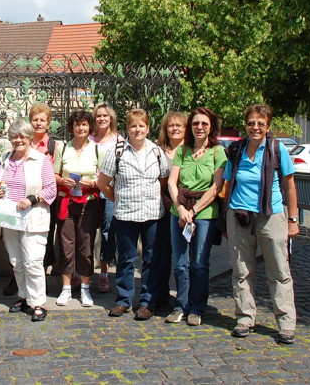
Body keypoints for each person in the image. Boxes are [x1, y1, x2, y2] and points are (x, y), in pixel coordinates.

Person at [223, 104, 299, 344]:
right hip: (240, 215)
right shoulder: (236, 149)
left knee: (278, 270)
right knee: (242, 270)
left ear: (268, 126)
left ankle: (286, 323)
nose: (255, 127)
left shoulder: (277, 149)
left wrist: (292, 219)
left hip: (271, 215)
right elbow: (227, 183)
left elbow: (289, 185)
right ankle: (245, 318)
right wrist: (225, 217)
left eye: (260, 124)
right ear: (245, 125)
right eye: (251, 123)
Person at [97, 109, 170, 320]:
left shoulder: (156, 151)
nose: (137, 130)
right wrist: (117, 199)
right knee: (126, 259)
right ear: (127, 128)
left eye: (141, 126)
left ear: (148, 128)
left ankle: (147, 301)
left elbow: (162, 180)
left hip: (152, 214)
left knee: (151, 259)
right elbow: (103, 183)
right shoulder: (117, 151)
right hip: (126, 214)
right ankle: (123, 300)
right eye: (133, 126)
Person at [166, 107, 227, 326]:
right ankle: (181, 304)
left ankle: (197, 307)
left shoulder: (217, 152)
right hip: (179, 212)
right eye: (195, 123)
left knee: (199, 263)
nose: (199, 127)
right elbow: (172, 182)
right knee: (181, 262)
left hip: (205, 214)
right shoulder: (182, 151)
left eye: (204, 124)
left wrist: (194, 211)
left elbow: (216, 187)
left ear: (211, 127)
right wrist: (181, 208)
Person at [0, 119, 57, 321]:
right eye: (14, 136)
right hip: (10, 216)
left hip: (33, 216)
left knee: (33, 261)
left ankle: (38, 302)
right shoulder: (5, 157)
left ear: (30, 138)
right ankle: (23, 296)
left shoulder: (41, 160)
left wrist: (31, 199)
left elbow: (51, 189)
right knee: (16, 262)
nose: (18, 140)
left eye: (22, 136)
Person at [53, 110, 103, 307]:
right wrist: (61, 180)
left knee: (85, 247)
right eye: (77, 124)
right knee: (66, 247)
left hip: (88, 202)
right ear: (71, 127)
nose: (80, 128)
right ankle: (65, 289)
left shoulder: (98, 150)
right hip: (66, 201)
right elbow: (54, 174)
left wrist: (92, 183)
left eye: (84, 124)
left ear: (90, 127)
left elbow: (104, 178)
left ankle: (85, 288)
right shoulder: (62, 148)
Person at [154, 111, 188, 307]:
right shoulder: (157, 150)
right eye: (171, 126)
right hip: (161, 207)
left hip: (185, 208)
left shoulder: (191, 150)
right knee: (162, 253)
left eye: (179, 126)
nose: (175, 129)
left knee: (184, 255)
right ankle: (161, 293)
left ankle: (184, 295)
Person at [90, 103, 122, 294]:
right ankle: (83, 272)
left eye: (105, 116)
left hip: (109, 190)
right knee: (86, 230)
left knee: (108, 230)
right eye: (98, 116)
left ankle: (104, 272)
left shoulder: (118, 140)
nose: (101, 119)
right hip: (90, 190)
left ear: (111, 119)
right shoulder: (89, 138)